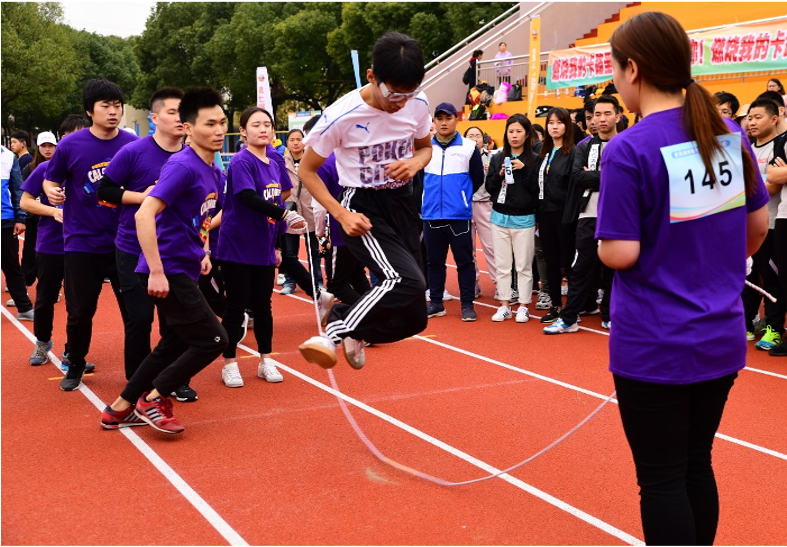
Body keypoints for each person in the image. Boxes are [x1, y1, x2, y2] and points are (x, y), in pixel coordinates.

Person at [596, 12, 768, 545]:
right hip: (719, 334)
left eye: (615, 69)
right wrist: (709, 260)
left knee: (663, 479)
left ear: (634, 68)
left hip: (655, 342)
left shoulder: (629, 148)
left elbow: (620, 253)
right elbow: (756, 228)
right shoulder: (727, 135)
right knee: (696, 464)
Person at [296, 31, 433, 370]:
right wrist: (340, 214)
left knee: (416, 318)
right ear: (372, 77)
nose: (400, 101)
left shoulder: (418, 103)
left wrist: (415, 163)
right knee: (404, 280)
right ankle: (336, 327)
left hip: (402, 202)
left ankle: (359, 329)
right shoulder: (341, 115)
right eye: (393, 93)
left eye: (408, 93)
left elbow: (426, 147)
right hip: (363, 205)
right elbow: (307, 170)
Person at [99, 86, 230, 433]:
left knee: (173, 341)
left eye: (222, 122)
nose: (218, 130)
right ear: (188, 128)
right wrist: (156, 270)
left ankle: (119, 407)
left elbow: (200, 218)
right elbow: (145, 214)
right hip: (166, 269)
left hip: (183, 266)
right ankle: (153, 398)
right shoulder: (182, 166)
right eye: (209, 124)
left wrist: (202, 250)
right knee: (215, 339)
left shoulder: (214, 171)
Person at [44, 79, 139, 391]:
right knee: (80, 310)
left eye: (117, 106)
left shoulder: (131, 143)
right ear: (89, 110)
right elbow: (50, 178)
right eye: (105, 106)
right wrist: (53, 192)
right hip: (82, 242)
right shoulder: (71, 145)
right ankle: (75, 361)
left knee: (135, 314)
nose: (113, 112)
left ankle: (137, 374)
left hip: (125, 242)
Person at [216, 106, 311, 388]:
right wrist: (283, 214)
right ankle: (230, 362)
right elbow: (246, 196)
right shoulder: (241, 162)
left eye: (267, 124)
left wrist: (279, 240)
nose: (263, 129)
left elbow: (283, 195)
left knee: (263, 305)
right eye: (256, 125)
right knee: (235, 307)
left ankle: (266, 359)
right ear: (243, 131)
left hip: (264, 245)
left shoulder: (274, 161)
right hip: (236, 245)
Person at [545, 95, 620, 334]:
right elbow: (578, 177)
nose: (601, 119)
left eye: (607, 113)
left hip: (619, 214)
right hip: (587, 214)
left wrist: (595, 176)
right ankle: (569, 318)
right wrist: (610, 175)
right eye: (597, 114)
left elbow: (629, 178)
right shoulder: (585, 146)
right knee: (580, 267)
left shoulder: (626, 144)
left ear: (618, 116)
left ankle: (609, 315)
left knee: (613, 269)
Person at [20, 117, 90, 367]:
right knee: (46, 296)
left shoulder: (95, 170)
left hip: (83, 246)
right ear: (63, 140)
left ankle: (73, 351)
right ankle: (42, 342)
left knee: (78, 302)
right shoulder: (46, 169)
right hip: (51, 244)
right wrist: (52, 211)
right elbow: (25, 202)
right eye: (72, 136)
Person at [422, 102, 484, 321]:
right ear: (434, 122)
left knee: (464, 261)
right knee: (434, 262)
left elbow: (478, 178)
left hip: (458, 215)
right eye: (439, 119)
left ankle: (467, 304)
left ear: (456, 120)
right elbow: (419, 180)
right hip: (431, 215)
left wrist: (462, 197)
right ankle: (436, 303)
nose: (444, 122)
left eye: (448, 118)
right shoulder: (425, 147)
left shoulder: (468, 147)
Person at [484, 114, 540, 323]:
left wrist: (524, 171)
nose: (514, 135)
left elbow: (536, 189)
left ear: (527, 134)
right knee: (503, 265)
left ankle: (524, 305)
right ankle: (505, 305)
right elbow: (489, 188)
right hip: (499, 217)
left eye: (518, 131)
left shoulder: (535, 159)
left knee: (523, 266)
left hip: (524, 218)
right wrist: (498, 175)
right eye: (511, 131)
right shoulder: (498, 157)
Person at [742, 97, 785, 351]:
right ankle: (746, 323)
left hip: (769, 224)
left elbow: (773, 184)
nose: (752, 122)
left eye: (758, 117)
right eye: (750, 117)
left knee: (772, 279)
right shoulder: (745, 148)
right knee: (746, 276)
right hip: (745, 224)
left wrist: (743, 196)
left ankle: (774, 327)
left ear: (774, 118)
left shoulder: (778, 146)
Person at [536, 107, 576, 323]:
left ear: (566, 125)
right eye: (550, 122)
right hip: (545, 213)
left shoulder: (572, 153)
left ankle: (574, 306)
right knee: (551, 260)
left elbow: (572, 186)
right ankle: (556, 306)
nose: (554, 126)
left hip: (565, 214)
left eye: (559, 122)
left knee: (568, 260)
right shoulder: (544, 152)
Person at [464, 126, 498, 297]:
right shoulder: (460, 156)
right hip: (465, 206)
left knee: (491, 247)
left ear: (484, 139)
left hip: (485, 204)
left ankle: (500, 284)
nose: (474, 138)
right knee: (468, 249)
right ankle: (473, 284)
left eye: (478, 135)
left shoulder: (492, 157)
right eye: (470, 135)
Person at [1, 144, 33, 321]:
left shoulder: (8, 156)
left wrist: (20, 218)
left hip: (4, 221)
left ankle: (24, 308)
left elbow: (17, 189)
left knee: (12, 266)